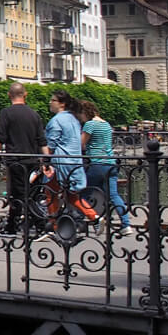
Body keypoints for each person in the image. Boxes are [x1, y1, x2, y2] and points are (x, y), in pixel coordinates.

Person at [0, 82, 41, 238]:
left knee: (17, 194)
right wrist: (46, 160)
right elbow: (41, 140)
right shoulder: (34, 114)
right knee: (31, 194)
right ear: (25, 95)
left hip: (16, 159)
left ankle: (16, 226)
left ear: (8, 95)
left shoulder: (7, 113)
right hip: (33, 159)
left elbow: (1, 137)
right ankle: (31, 225)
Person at [77, 99, 133, 237]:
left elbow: (81, 144)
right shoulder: (106, 124)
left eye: (80, 114)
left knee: (83, 194)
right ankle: (126, 224)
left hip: (97, 163)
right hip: (111, 163)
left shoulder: (90, 124)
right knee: (113, 195)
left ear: (85, 112)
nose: (80, 118)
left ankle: (85, 220)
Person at [44, 90, 99, 225]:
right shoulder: (74, 119)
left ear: (62, 104)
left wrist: (44, 160)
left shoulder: (56, 120)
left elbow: (51, 144)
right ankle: (94, 217)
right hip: (75, 161)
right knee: (71, 194)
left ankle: (54, 223)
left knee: (50, 191)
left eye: (53, 100)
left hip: (60, 162)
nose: (50, 103)